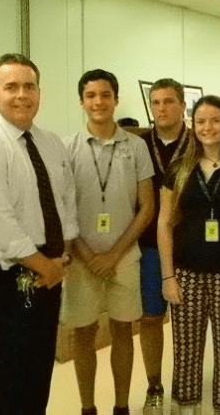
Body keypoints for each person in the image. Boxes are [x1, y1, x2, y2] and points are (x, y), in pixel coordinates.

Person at [0, 53, 79, 415]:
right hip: (3, 278)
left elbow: (65, 203)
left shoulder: (51, 143)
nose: (22, 95)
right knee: (4, 378)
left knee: (38, 370)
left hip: (50, 270)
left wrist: (64, 258)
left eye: (29, 87)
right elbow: (0, 225)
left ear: (39, 92)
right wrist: (49, 267)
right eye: (11, 87)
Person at [62, 69, 154, 415]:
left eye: (105, 95)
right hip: (81, 258)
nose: (98, 102)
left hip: (124, 256)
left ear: (116, 100)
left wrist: (114, 254)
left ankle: (120, 406)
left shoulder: (136, 146)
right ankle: (88, 407)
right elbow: (63, 208)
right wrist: (86, 255)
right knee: (82, 334)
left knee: (122, 330)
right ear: (82, 102)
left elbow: (146, 207)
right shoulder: (67, 147)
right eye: (91, 95)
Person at [157, 95, 220, 414]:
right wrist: (168, 276)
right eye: (200, 121)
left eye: (215, 120)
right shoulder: (180, 169)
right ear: (192, 125)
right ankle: (186, 409)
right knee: (185, 353)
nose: (207, 127)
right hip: (186, 275)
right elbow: (164, 223)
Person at [138, 78, 188, 412]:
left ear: (183, 105)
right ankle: (154, 384)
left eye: (168, 101)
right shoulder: (138, 145)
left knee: (187, 323)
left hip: (191, 245)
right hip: (149, 247)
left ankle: (185, 383)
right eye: (155, 102)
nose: (161, 109)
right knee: (151, 318)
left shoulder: (200, 140)